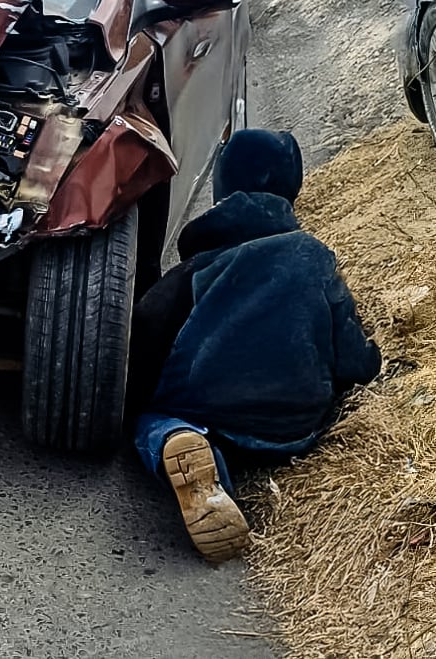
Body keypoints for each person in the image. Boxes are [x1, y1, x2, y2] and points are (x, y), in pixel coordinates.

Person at [126, 129, 379, 563]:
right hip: (294, 426)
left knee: (155, 421)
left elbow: (144, 340)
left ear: (222, 189)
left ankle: (194, 455)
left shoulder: (196, 269)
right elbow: (355, 361)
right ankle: (208, 460)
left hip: (208, 410)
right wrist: (374, 356)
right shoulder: (312, 256)